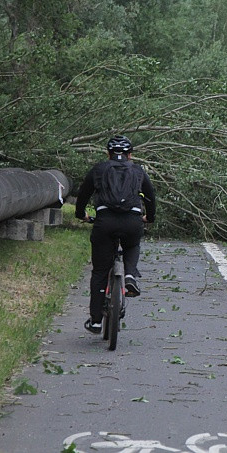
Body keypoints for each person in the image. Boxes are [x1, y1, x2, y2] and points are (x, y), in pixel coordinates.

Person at [75, 135, 156, 334]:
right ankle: (129, 275)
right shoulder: (138, 171)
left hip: (105, 222)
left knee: (100, 271)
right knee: (132, 244)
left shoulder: (99, 169)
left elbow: (83, 194)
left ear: (108, 153)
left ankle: (95, 321)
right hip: (132, 221)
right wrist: (149, 217)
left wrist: (81, 214)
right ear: (130, 155)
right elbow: (150, 197)